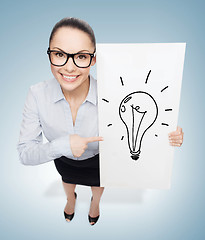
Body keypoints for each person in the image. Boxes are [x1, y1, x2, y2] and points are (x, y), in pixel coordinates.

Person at [17, 17, 184, 226]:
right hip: (62, 158)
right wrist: (64, 145)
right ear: (49, 54)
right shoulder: (36, 94)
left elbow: (137, 121)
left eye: (81, 56)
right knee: (67, 181)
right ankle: (71, 200)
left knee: (97, 186)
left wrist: (168, 134)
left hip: (99, 161)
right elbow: (25, 153)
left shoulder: (114, 94)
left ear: (93, 60)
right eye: (59, 54)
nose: (69, 67)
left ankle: (95, 204)